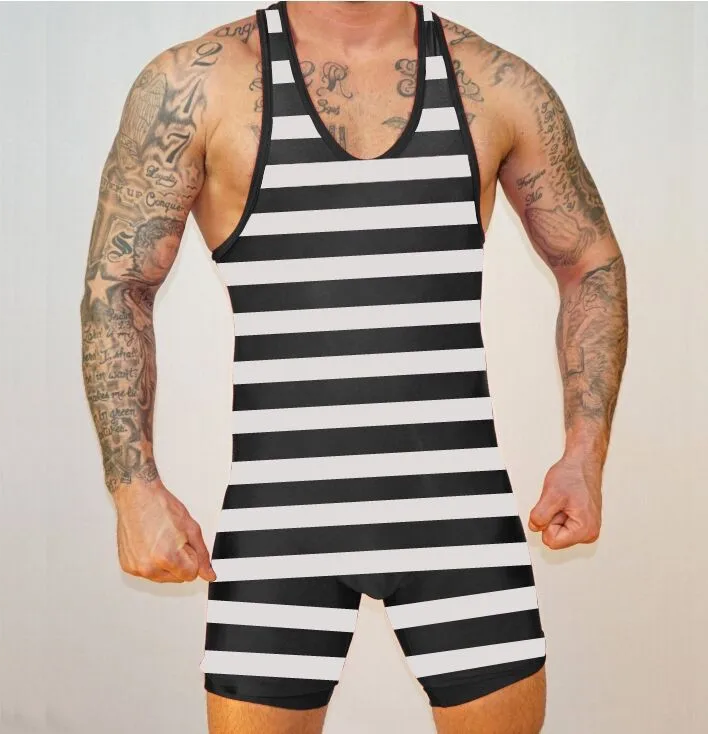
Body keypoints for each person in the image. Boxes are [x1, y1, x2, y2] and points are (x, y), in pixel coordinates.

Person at [79, 2, 628, 733]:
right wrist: (133, 487)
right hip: (281, 527)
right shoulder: (201, 82)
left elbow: (590, 263)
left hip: (457, 523)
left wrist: (586, 454)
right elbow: (118, 286)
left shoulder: (494, 84)